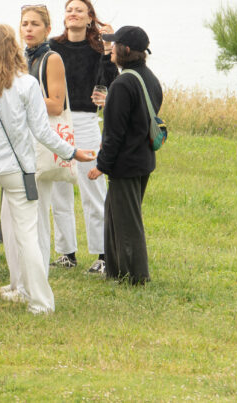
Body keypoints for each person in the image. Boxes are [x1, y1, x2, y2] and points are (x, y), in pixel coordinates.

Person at [0, 24, 95, 314]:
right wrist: (72, 152)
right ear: (13, 47)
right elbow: (42, 131)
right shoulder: (27, 85)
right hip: (19, 170)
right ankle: (40, 301)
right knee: (27, 235)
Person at [0, 5, 70, 301]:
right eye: (24, 23)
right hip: (17, 142)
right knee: (9, 215)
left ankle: (35, 284)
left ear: (47, 28)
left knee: (37, 216)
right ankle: (18, 281)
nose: (28, 29)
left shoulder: (51, 59)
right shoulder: (19, 58)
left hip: (39, 143)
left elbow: (57, 103)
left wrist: (22, 100)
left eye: (35, 24)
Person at [49, 0, 118, 274]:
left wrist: (108, 46)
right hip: (56, 119)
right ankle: (67, 252)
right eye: (69, 10)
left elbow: (110, 79)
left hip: (86, 120)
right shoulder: (53, 47)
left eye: (79, 10)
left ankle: (103, 255)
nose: (73, 14)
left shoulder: (98, 48)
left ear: (90, 17)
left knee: (92, 186)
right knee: (58, 186)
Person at [89, 26, 162, 285]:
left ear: (126, 49)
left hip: (126, 163)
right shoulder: (148, 77)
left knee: (127, 222)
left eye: (114, 45)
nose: (110, 50)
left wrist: (101, 165)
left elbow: (114, 133)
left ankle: (136, 277)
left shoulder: (122, 83)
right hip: (142, 160)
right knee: (114, 214)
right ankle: (117, 271)